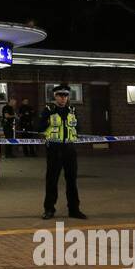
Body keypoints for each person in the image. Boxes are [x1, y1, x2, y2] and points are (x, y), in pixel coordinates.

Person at [38, 85, 86, 219]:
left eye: (65, 96)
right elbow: (39, 127)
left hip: (69, 149)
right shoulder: (48, 110)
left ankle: (74, 209)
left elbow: (78, 127)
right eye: (60, 95)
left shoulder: (72, 110)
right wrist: (47, 122)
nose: (63, 98)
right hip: (54, 149)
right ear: (55, 96)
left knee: (72, 180)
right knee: (52, 180)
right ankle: (49, 209)